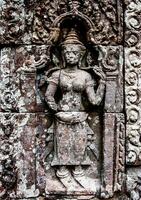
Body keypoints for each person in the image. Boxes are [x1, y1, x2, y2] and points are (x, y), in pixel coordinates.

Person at [45, 29, 105, 179]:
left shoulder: (85, 76)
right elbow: (49, 95)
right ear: (63, 55)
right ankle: (62, 170)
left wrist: (102, 83)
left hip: (80, 115)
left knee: (79, 145)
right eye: (68, 53)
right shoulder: (57, 74)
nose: (70, 55)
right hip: (62, 116)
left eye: (74, 53)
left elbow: (94, 101)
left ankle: (78, 169)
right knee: (63, 145)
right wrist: (55, 108)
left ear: (80, 56)